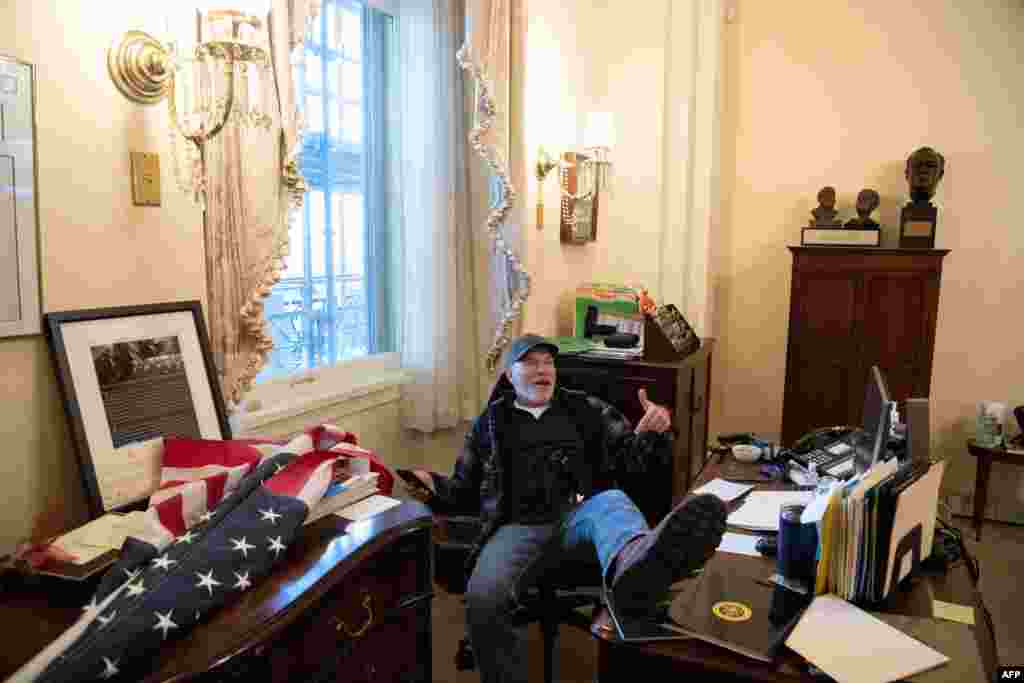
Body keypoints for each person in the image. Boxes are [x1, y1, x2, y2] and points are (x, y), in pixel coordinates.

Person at [403, 335, 726, 683]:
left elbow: (634, 461)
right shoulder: (490, 423)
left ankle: (636, 566)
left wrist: (653, 431)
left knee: (613, 502)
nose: (542, 370)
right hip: (517, 526)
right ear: (509, 377)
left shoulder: (585, 408)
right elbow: (464, 490)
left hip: (582, 515)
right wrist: (431, 486)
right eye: (530, 363)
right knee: (482, 599)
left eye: (548, 362)